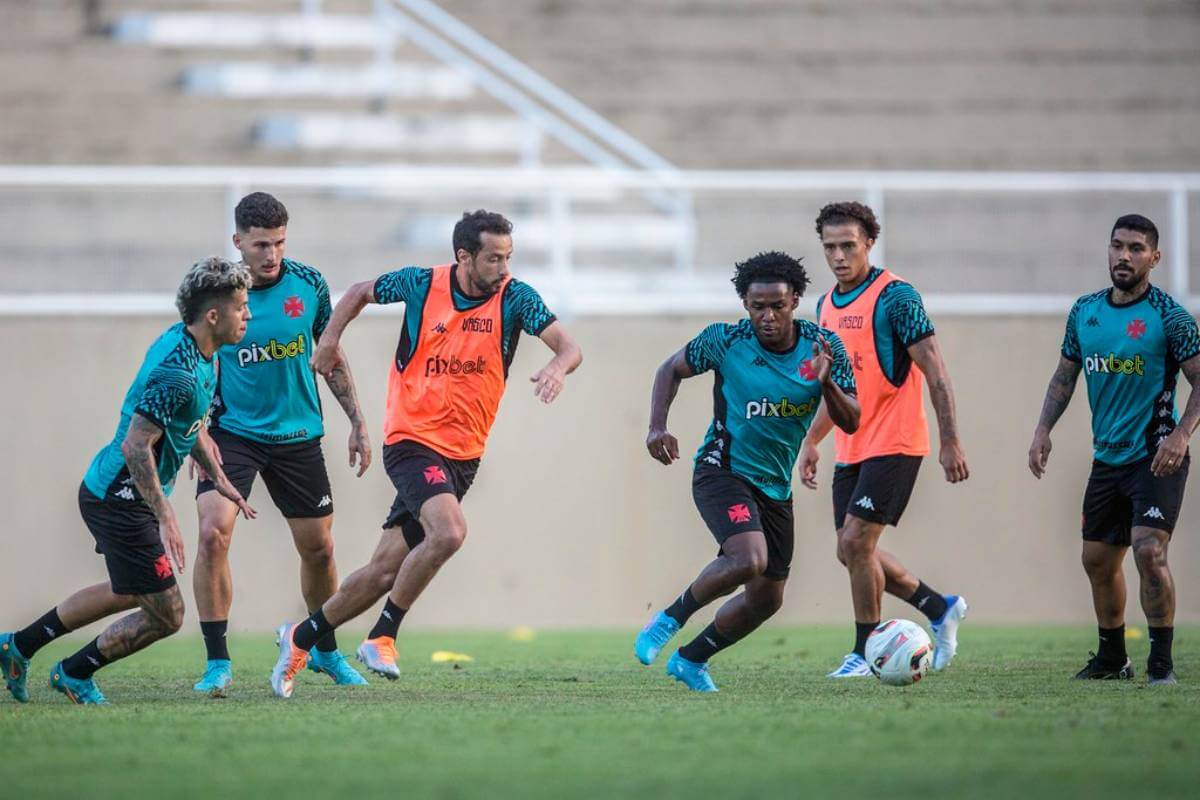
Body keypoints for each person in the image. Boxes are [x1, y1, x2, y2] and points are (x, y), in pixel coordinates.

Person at [267, 210, 583, 698]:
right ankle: (382, 636)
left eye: (508, 257)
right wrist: (328, 341)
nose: (503, 268)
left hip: (464, 454)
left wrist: (559, 367)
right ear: (464, 256)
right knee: (450, 531)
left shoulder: (516, 297)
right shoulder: (420, 285)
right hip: (412, 440)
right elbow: (356, 293)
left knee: (382, 572)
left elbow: (568, 346)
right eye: (493, 258)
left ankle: (300, 637)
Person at [0, 258, 255, 704]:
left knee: (128, 592)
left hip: (114, 492)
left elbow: (187, 426)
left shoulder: (202, 353)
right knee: (168, 613)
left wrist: (218, 476)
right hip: (118, 498)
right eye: (242, 306)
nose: (248, 314)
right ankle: (74, 673)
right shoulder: (177, 371)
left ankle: (18, 646)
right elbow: (136, 447)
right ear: (214, 315)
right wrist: (165, 516)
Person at [634, 251, 860, 692]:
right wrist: (657, 426)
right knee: (748, 558)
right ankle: (668, 620)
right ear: (745, 305)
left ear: (795, 299)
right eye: (758, 307)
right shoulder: (726, 341)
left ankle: (691, 660)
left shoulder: (824, 347)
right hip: (723, 470)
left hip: (774, 486)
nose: (768, 316)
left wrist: (826, 381)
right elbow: (670, 369)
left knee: (767, 598)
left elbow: (851, 420)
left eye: (778, 305)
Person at [190, 192, 370, 696]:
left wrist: (357, 420)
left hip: (297, 436)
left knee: (319, 548)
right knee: (212, 535)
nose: (272, 254)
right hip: (232, 433)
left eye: (280, 243)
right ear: (238, 242)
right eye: (261, 244)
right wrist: (195, 429)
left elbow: (329, 354)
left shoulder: (309, 284)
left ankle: (324, 649)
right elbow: (197, 361)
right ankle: (217, 662)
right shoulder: (219, 290)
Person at [798, 201, 970, 678]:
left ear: (869, 242)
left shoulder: (897, 298)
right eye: (829, 246)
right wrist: (812, 441)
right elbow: (838, 385)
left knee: (856, 543)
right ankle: (938, 606)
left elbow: (935, 371)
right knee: (851, 550)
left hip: (897, 441)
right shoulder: (824, 306)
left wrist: (950, 441)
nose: (838, 255)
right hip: (852, 445)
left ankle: (863, 652)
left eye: (847, 245)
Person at [1029, 214, 1198, 685]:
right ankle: (1112, 659)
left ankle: (1160, 663)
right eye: (1118, 246)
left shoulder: (1170, 317)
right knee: (1098, 561)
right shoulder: (1085, 311)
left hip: (1157, 455)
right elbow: (1065, 376)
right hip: (1108, 458)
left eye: (1137, 248)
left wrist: (1182, 434)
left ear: (1155, 258)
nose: (1125, 256)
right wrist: (1044, 429)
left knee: (1148, 552)